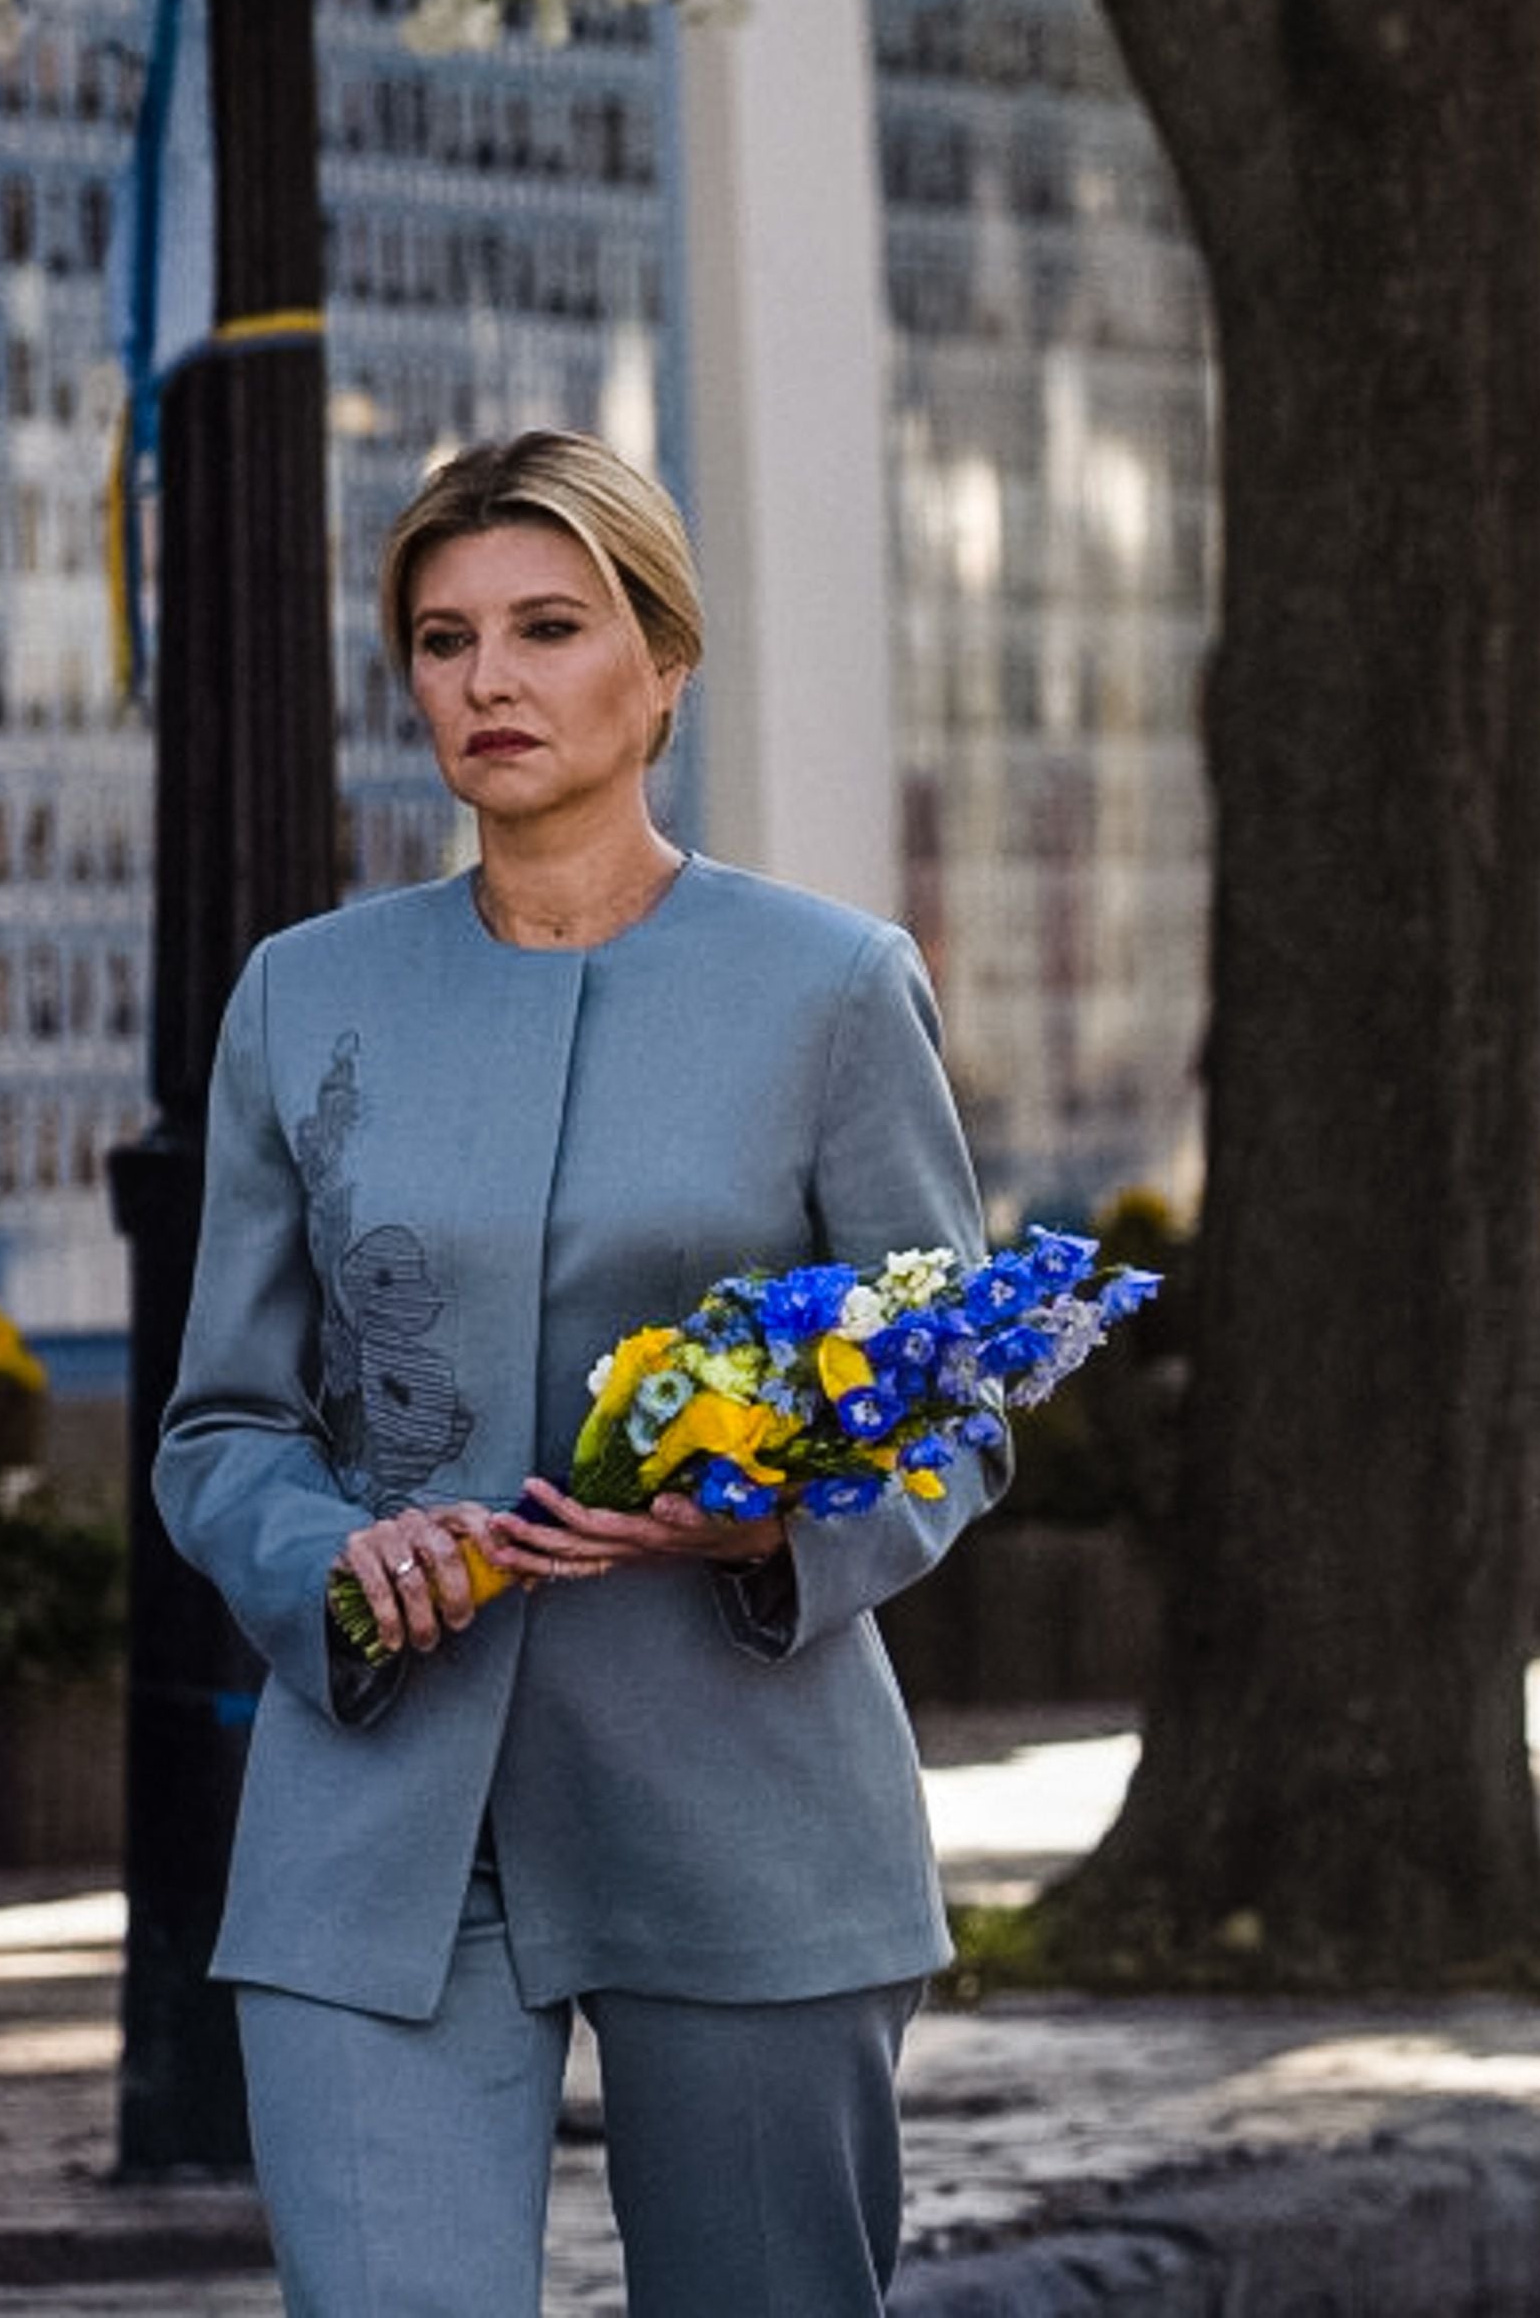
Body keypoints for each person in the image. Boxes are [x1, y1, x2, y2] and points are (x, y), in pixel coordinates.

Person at [152, 430, 1004, 2316]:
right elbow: (223, 1421)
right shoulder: (307, 994)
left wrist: (774, 1529)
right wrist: (320, 1563)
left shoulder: (832, 988)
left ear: (664, 667)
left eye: (549, 627)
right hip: (379, 1816)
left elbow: (954, 1400)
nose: (491, 681)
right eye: (446, 642)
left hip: (745, 1810)